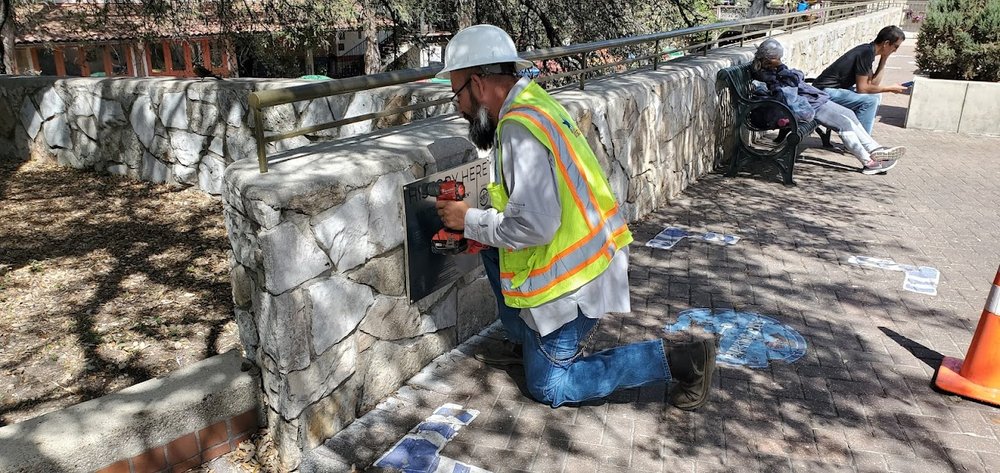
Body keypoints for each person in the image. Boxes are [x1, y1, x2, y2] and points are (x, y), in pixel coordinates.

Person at [433, 24, 717, 411]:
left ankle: (683, 361)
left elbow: (534, 225)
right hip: (592, 259)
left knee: (549, 386)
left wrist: (467, 219)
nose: (459, 108)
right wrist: (478, 225)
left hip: (575, 284)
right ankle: (524, 340)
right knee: (488, 246)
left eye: (457, 95)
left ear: (479, 85)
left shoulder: (519, 129)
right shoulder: (534, 102)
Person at [751, 38, 905, 175]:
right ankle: (868, 162)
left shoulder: (771, 69)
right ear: (769, 59)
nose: (779, 60)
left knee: (849, 113)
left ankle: (875, 149)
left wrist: (783, 69)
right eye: (777, 58)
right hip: (802, 107)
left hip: (809, 100)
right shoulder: (763, 73)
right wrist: (783, 69)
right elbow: (787, 88)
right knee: (844, 124)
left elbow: (795, 79)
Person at [812, 26, 909, 134]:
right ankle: (863, 141)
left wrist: (884, 58)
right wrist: (889, 89)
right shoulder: (865, 53)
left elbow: (873, 84)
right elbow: (862, 89)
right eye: (895, 46)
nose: (895, 50)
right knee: (870, 101)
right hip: (822, 93)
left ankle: (860, 136)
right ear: (886, 43)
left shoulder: (869, 51)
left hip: (830, 91)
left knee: (876, 96)